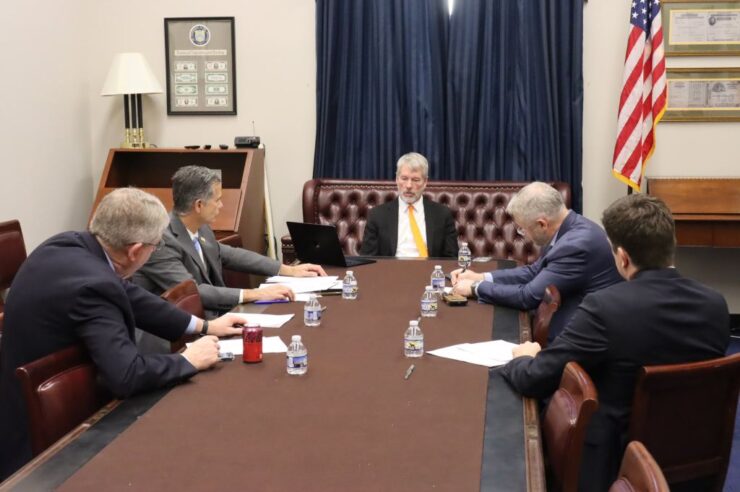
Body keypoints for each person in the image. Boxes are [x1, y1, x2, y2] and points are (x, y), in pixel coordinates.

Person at [0, 188, 245, 480]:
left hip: (30, 405)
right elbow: (126, 375)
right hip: (49, 448)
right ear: (135, 251)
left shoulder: (69, 245)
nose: (155, 251)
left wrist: (203, 326)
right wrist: (188, 360)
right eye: (155, 246)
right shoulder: (93, 286)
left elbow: (129, 294)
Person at [500, 194, 730, 491]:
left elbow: (535, 378)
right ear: (670, 246)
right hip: (694, 455)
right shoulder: (715, 305)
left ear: (622, 258)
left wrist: (523, 357)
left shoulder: (605, 308)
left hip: (611, 465)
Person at [134, 166, 326, 319]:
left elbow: (230, 255)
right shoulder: (161, 241)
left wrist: (288, 270)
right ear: (199, 205)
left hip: (211, 318)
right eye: (217, 200)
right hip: (176, 336)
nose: (221, 205)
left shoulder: (201, 228)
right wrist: (255, 294)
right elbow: (193, 292)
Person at [452, 181, 622, 341]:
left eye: (522, 229)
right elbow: (534, 271)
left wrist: (475, 288)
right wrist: (481, 277)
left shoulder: (576, 245)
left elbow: (528, 296)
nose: (523, 235)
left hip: (579, 336)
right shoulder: (569, 228)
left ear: (542, 224)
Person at [359, 152, 457, 258]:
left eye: (415, 180)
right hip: (393, 268)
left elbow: (451, 259)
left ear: (425, 182)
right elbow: (367, 258)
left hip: (429, 268)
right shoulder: (377, 215)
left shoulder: (442, 214)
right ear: (397, 179)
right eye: (404, 178)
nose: (409, 185)